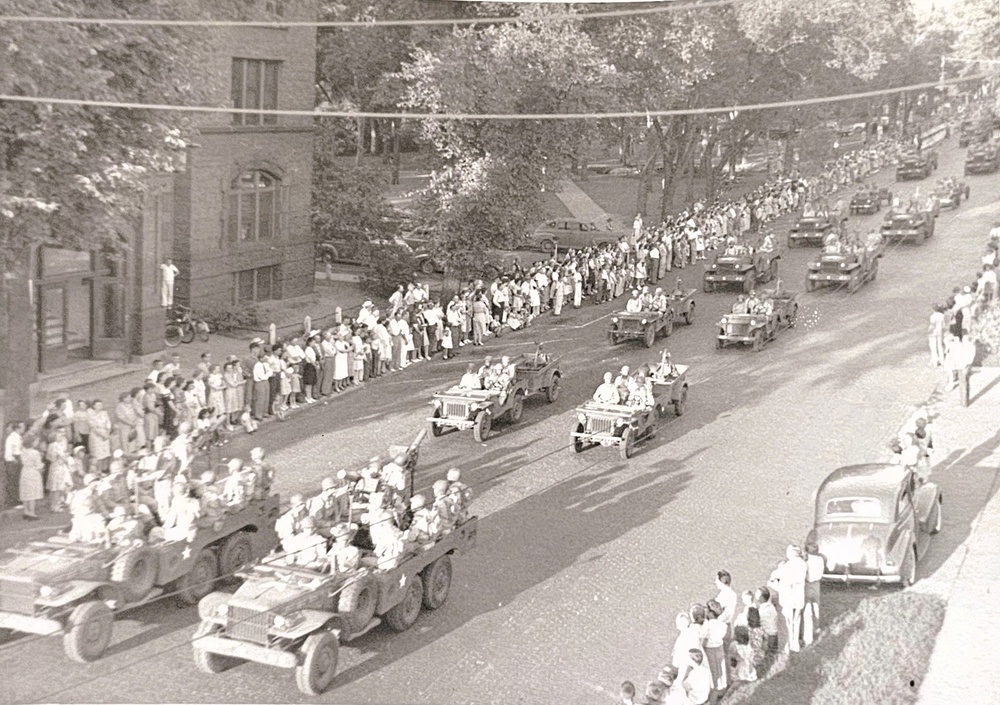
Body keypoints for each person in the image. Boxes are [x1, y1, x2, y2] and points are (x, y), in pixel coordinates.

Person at [770, 545, 807, 653]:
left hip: (788, 597)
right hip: (799, 596)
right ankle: (795, 643)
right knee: (797, 620)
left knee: (788, 622)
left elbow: (777, 577)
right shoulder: (803, 564)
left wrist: (773, 582)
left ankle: (789, 643)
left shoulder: (788, 566)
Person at [803, 536, 825, 646]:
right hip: (817, 584)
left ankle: (807, 633)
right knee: (816, 605)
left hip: (808, 583)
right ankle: (816, 626)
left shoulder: (805, 561)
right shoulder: (820, 559)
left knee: (807, 607)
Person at [19, 435, 44, 520]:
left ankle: (26, 511)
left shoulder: (23, 451)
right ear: (32, 442)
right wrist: (41, 468)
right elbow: (38, 465)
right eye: (36, 441)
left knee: (26, 491)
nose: (37, 443)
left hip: (25, 471)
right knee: (32, 492)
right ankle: (32, 512)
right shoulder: (35, 452)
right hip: (33, 472)